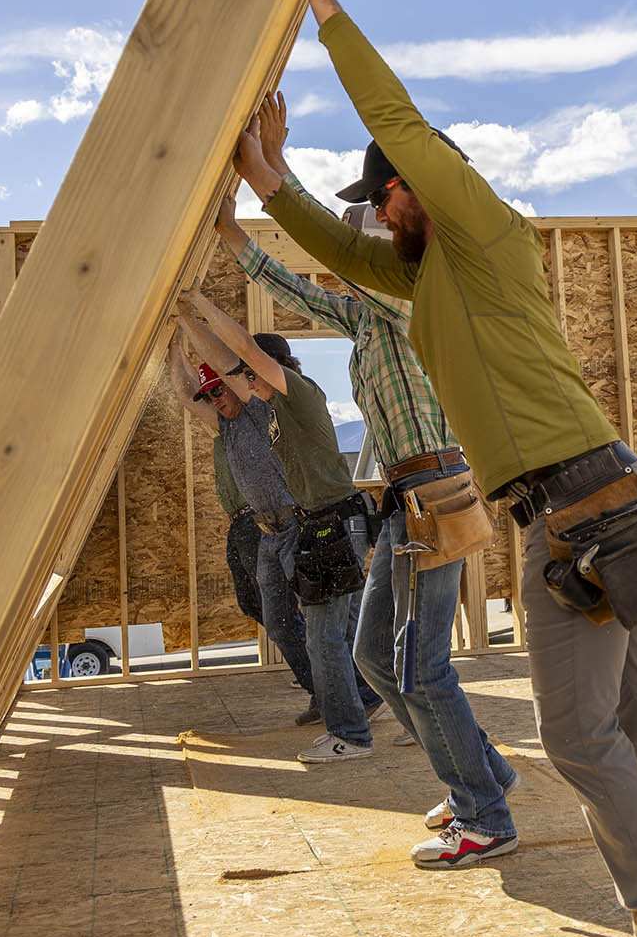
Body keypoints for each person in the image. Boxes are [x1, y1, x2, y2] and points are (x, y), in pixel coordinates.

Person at [239, 0, 637, 937]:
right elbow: (340, 250)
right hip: (598, 498)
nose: (377, 213)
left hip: (578, 513)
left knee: (579, 738)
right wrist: (268, 175)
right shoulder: (436, 275)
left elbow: (397, 126)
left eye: (384, 195)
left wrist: (325, 7)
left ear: (416, 187)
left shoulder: (484, 231)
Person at [222, 102, 520, 870]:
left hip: (433, 494)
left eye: (376, 213)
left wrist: (272, 173)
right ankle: (484, 773)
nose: (368, 226)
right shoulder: (374, 313)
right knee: (376, 660)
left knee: (422, 666)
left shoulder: (417, 289)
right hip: (402, 502)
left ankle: (483, 813)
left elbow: (336, 256)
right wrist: (230, 230)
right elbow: (304, 288)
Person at [172, 289, 384, 762]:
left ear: (270, 369)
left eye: (251, 374)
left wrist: (194, 312)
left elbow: (241, 354)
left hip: (335, 523)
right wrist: (184, 329)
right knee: (339, 635)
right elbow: (218, 377)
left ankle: (353, 730)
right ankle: (366, 713)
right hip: (316, 526)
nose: (244, 381)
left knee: (332, 636)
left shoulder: (292, 396)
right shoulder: (270, 412)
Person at [211, 425, 324, 727]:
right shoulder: (223, 429)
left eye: (216, 393)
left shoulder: (243, 420)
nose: (213, 401)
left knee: (286, 616)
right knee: (252, 604)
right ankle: (320, 679)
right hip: (240, 524)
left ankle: (328, 689)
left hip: (256, 520)